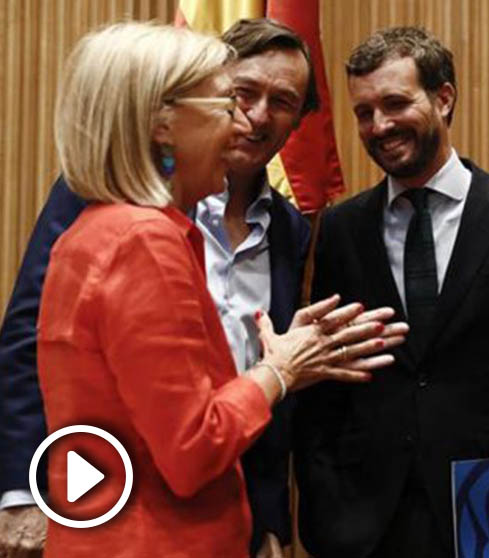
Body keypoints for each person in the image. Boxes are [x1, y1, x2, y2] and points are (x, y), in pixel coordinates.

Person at [35, 22, 402, 558]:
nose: (240, 127)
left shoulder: (98, 230)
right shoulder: (143, 241)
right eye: (224, 106)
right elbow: (192, 446)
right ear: (164, 124)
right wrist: (279, 371)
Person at [293, 26, 489, 557]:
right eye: (364, 112)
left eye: (395, 103)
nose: (379, 126)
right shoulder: (342, 229)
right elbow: (326, 385)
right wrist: (327, 509)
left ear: (443, 98)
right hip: (369, 524)